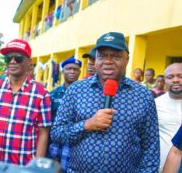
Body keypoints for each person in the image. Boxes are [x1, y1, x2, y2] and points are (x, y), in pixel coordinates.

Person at [51, 32, 160, 172]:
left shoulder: (143, 96)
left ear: (126, 59)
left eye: (115, 56)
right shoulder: (76, 90)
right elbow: (57, 133)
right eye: (102, 56)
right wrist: (87, 125)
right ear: (95, 60)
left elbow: (151, 148)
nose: (108, 61)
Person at [0, 39, 52, 172]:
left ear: (29, 62)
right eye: (8, 58)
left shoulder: (41, 93)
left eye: (18, 58)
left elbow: (43, 133)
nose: (12, 61)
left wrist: (36, 169)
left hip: (23, 167)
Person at [49, 57, 82, 172]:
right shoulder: (53, 94)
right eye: (68, 69)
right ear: (63, 72)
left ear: (80, 72)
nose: (72, 72)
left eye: (75, 69)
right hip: (55, 146)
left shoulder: (85, 95)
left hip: (76, 146)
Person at [155, 63, 182, 171]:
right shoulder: (155, 104)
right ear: (165, 80)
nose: (175, 80)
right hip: (161, 167)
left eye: (180, 76)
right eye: (170, 77)